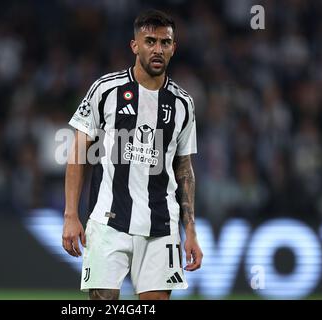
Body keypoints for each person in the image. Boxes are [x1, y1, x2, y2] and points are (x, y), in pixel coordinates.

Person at [62, 9, 203, 300]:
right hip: (108, 221)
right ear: (134, 45)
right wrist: (71, 214)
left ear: (174, 48)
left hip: (161, 225)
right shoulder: (105, 90)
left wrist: (190, 231)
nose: (157, 49)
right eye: (149, 41)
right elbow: (77, 152)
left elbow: (184, 168)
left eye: (165, 43)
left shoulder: (183, 104)